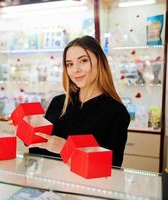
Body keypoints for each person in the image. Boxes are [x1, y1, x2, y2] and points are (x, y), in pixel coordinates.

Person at [29, 35, 130, 167]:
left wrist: (66, 149)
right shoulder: (58, 102)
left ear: (99, 62)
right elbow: (37, 151)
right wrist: (27, 129)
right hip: (47, 184)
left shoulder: (116, 112)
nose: (75, 69)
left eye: (83, 61)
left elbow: (111, 167)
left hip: (83, 187)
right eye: (69, 64)